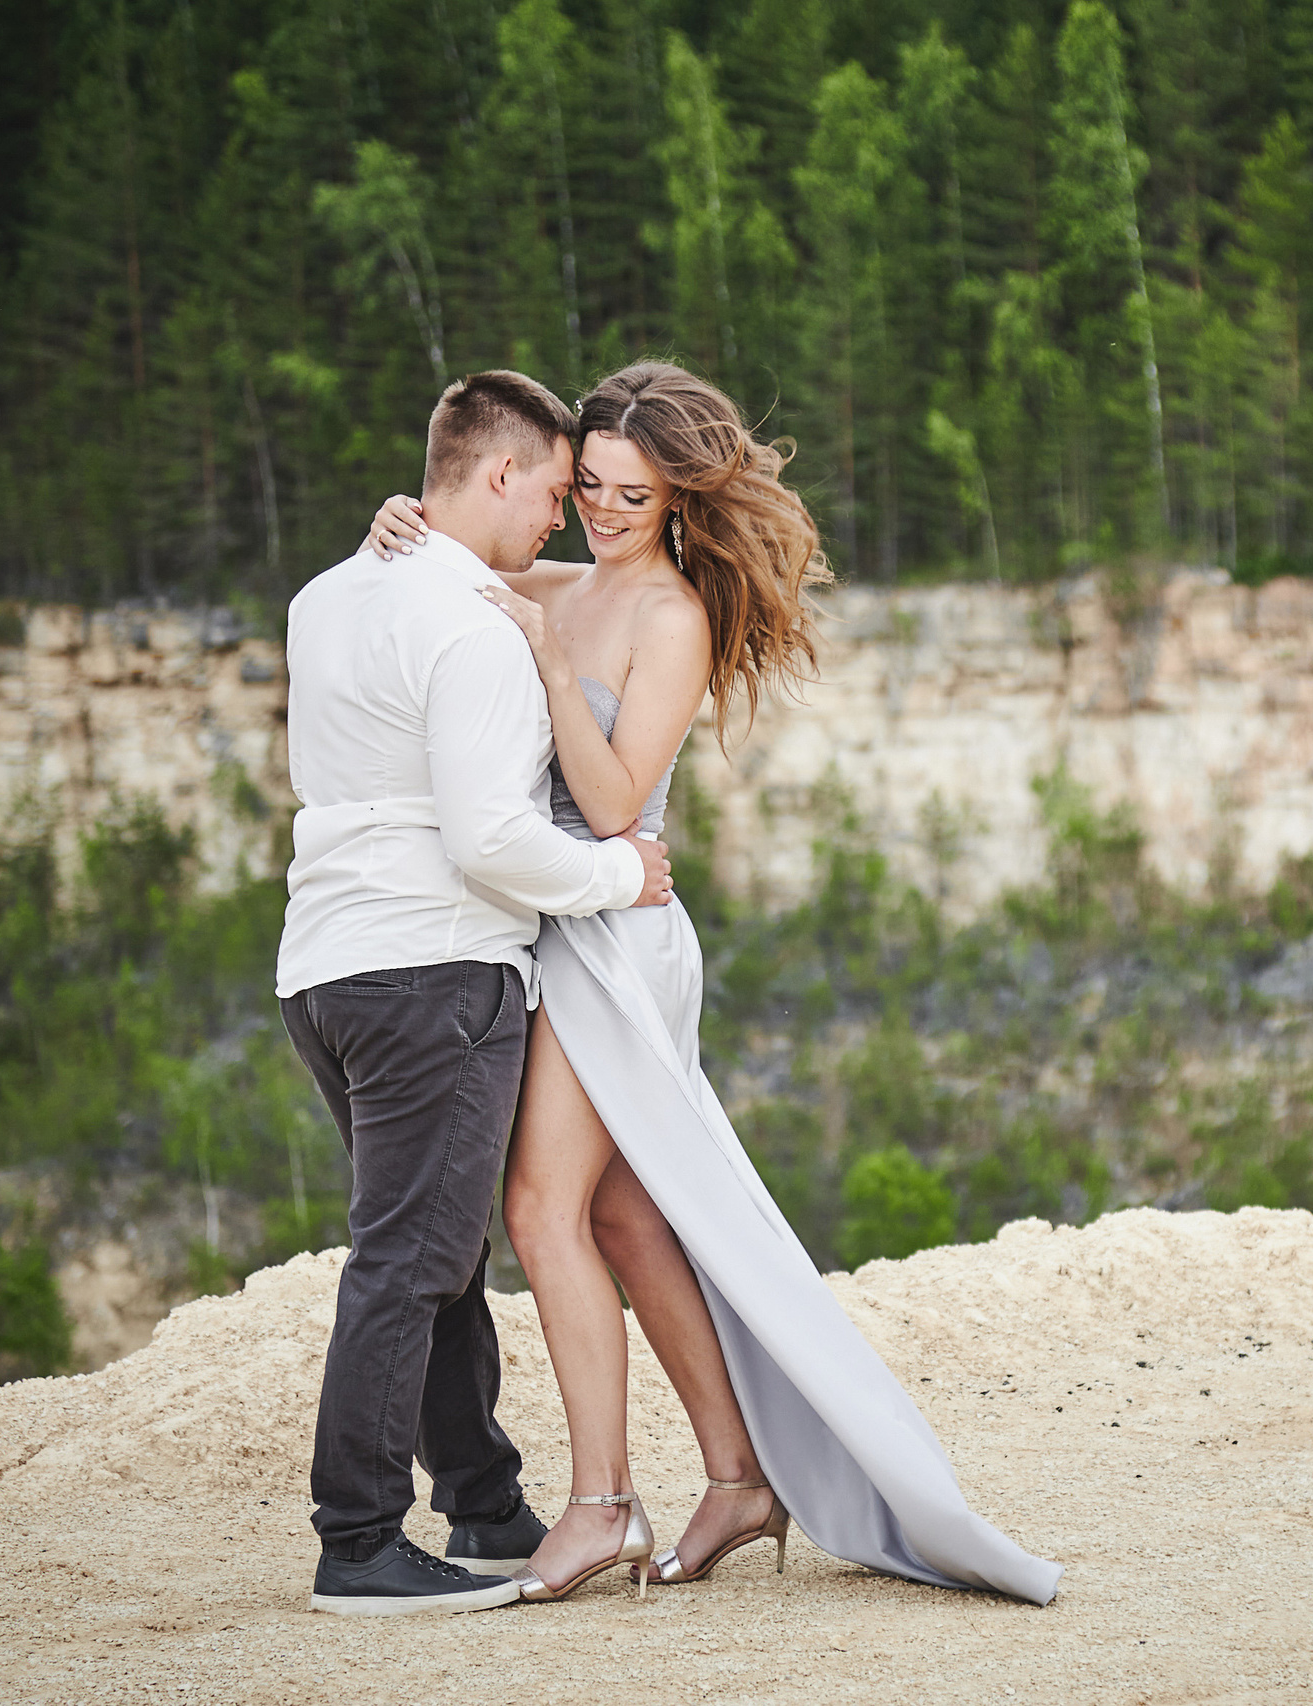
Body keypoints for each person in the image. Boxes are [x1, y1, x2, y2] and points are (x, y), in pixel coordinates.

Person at [360, 359, 1061, 1606]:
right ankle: (739, 1475)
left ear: (679, 497)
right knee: (626, 1216)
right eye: (588, 486)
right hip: (559, 923)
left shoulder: (667, 615)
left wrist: (533, 643)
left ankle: (598, 1503)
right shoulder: (558, 581)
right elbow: (446, 569)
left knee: (540, 1210)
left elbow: (619, 802)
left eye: (632, 493)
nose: (603, 511)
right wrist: (394, 528)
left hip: (620, 938)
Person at [279, 370, 678, 1617]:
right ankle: (357, 1539)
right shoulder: (475, 629)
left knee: (440, 1245)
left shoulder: (327, 593)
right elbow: (491, 840)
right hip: (435, 964)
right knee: (414, 1251)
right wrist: (621, 870)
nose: (563, 517)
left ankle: (486, 1500)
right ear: (498, 473)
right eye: (557, 489)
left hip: (324, 966)